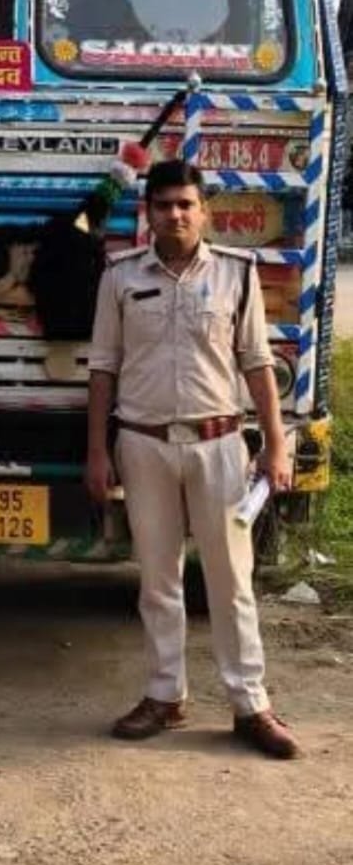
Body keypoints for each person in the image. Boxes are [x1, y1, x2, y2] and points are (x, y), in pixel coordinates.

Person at [86, 157, 299, 759]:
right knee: (158, 580)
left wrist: (275, 444)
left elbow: (256, 362)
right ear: (147, 213)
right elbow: (102, 368)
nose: (175, 215)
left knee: (230, 582)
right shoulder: (120, 277)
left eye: (186, 204)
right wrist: (96, 450)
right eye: (164, 205)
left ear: (204, 211)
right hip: (143, 444)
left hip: (219, 444)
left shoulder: (236, 273)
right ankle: (164, 696)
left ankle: (250, 705)